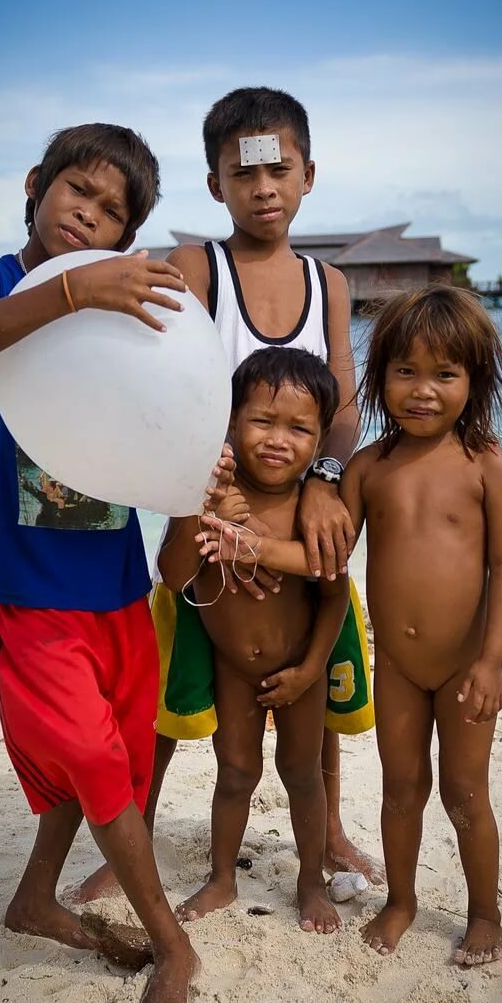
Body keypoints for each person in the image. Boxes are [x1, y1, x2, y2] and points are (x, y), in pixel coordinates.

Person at [0, 123, 201, 1003]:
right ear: (37, 184)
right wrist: (74, 289)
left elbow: (170, 416)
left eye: (114, 214)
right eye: (79, 191)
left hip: (115, 581)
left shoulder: (119, 317)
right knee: (89, 760)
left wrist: (203, 493)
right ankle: (173, 946)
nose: (91, 215)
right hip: (29, 586)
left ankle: (36, 898)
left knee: (110, 761)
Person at [202, 284, 502, 965]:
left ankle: (484, 913)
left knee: (467, 795)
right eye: (405, 371)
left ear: (475, 379)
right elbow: (328, 557)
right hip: (399, 670)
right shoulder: (371, 467)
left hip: (467, 667)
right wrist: (270, 517)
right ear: (379, 379)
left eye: (445, 374)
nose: (423, 391)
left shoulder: (486, 465)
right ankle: (401, 900)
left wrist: (492, 660)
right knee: (400, 790)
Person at [110, 86, 379, 889]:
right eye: (243, 172)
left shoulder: (327, 281)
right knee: (162, 699)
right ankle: (137, 840)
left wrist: (329, 480)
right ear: (215, 184)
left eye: (279, 170)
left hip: (296, 529)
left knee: (311, 696)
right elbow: (164, 385)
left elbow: (343, 399)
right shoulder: (198, 267)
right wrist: (208, 492)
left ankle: (326, 834)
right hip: (207, 520)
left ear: (308, 175)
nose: (263, 188)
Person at [161, 346, 351, 932]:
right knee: (235, 772)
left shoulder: (312, 511)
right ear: (231, 423)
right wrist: (200, 506)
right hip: (231, 668)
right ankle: (222, 879)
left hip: (300, 669)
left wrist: (312, 667)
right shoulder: (205, 495)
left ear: (319, 444)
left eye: (299, 428)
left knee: (301, 774)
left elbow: (335, 593)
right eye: (262, 421)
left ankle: (310, 883)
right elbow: (172, 575)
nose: (277, 439)